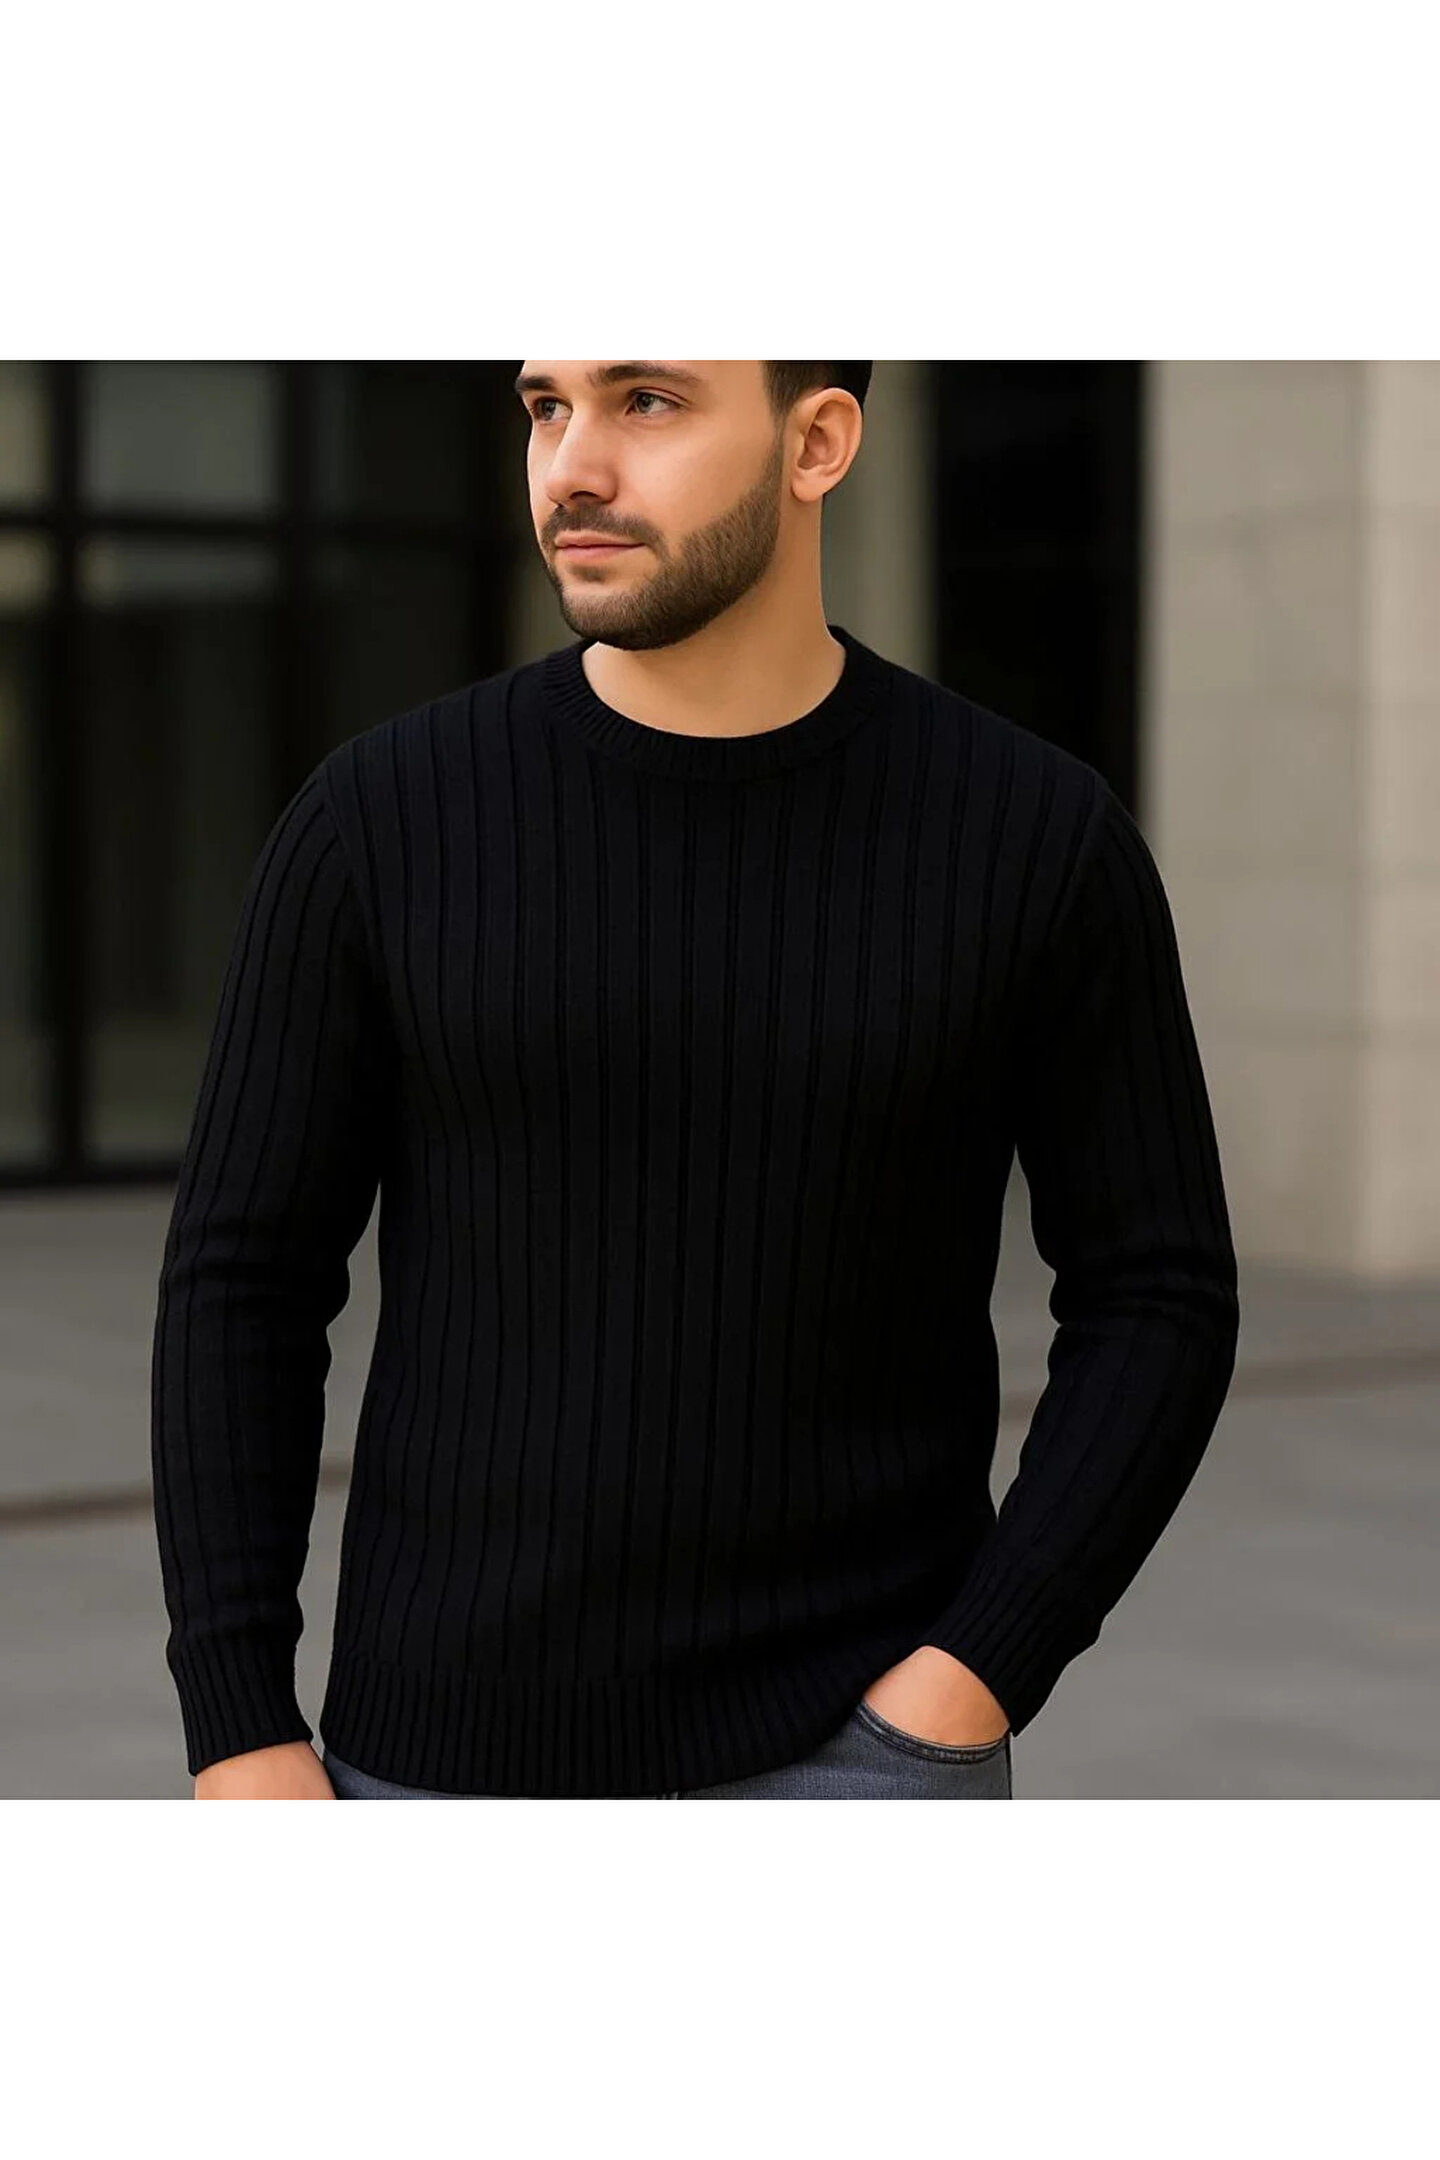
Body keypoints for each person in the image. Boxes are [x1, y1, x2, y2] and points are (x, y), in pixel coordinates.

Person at [151, 360, 1239, 1800]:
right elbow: (244, 1282)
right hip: (435, 1766)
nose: (571, 467)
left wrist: (976, 1671)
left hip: (859, 1761)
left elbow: (1159, 1292)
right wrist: (237, 1727)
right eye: (547, 407)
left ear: (818, 441)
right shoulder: (380, 819)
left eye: (648, 402)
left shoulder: (1033, 836)